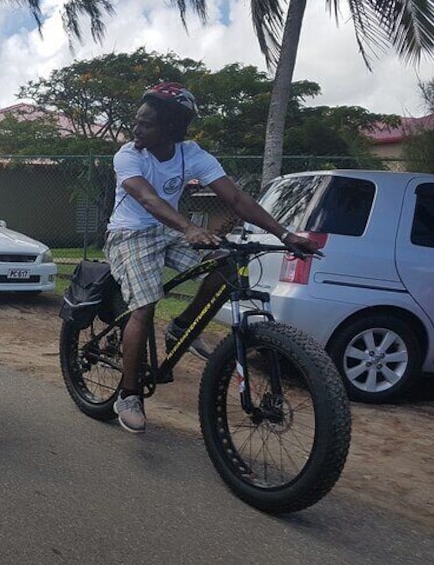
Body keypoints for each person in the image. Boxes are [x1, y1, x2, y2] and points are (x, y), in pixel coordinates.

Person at [105, 81, 319, 434]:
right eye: (137, 120)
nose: (136, 128)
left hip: (169, 231)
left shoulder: (192, 154)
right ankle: (129, 394)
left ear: (172, 128)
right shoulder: (129, 154)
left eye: (146, 123)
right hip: (129, 233)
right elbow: (147, 199)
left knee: (228, 265)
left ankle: (182, 327)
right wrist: (188, 227)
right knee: (144, 306)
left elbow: (236, 199)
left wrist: (285, 234)